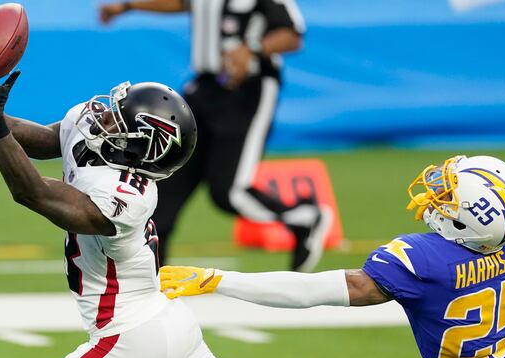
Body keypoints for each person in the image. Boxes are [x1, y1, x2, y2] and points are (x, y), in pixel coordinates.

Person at [0, 46, 471, 358]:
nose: (104, 118)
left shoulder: (130, 197)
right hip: (167, 324)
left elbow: (32, 192)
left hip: (125, 337)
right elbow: (27, 140)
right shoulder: (97, 132)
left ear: (142, 147)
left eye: (120, 120)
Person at [161, 155, 505, 358]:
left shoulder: (427, 261)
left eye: (448, 197)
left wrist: (219, 280)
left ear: (467, 223)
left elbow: (310, 291)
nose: (436, 195)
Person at [99, 0, 332, 272]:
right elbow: (182, 2)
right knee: (165, 183)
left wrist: (252, 49)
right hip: (204, 87)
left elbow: (292, 35)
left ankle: (303, 218)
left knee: (229, 192)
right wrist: (128, 6)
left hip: (247, 89)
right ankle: (153, 276)